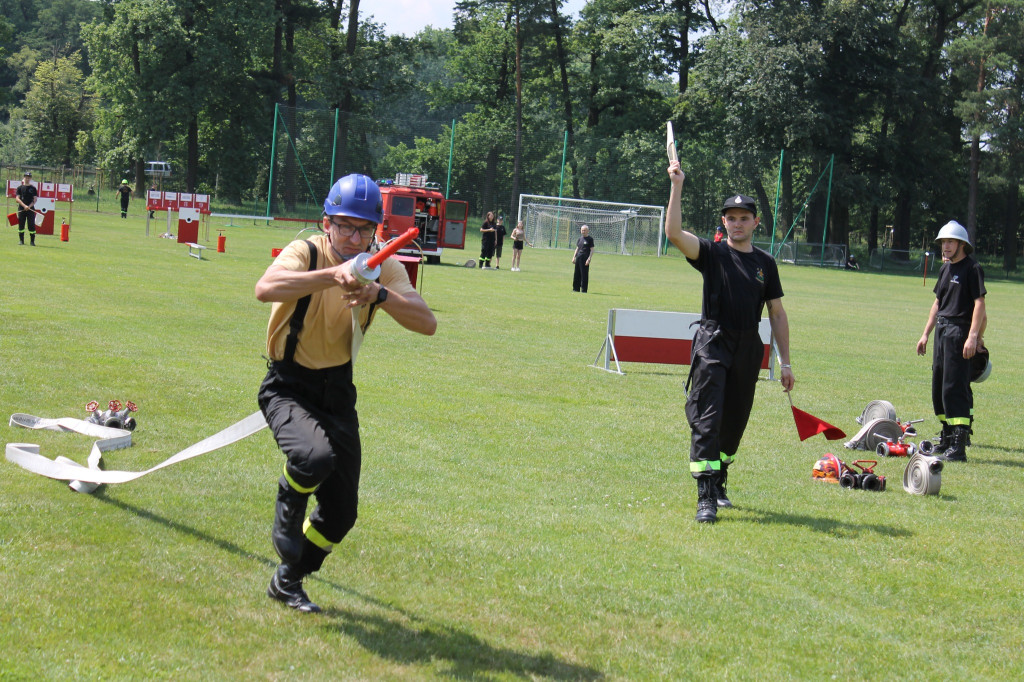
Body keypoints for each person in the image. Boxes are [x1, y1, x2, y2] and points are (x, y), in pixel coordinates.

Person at [255, 173, 437, 613]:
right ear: (326, 223)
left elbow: (426, 322)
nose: (354, 238)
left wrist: (379, 294)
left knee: (341, 514)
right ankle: (290, 499)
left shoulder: (383, 266)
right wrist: (331, 276)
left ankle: (289, 579)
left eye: (364, 229)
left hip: (338, 391)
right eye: (344, 226)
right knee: (313, 458)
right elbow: (265, 289)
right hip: (287, 385)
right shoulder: (307, 251)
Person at [664, 160, 794, 523]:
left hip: (749, 346)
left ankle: (720, 477)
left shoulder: (766, 263)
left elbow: (778, 314)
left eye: (743, 218)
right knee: (708, 418)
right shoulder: (712, 253)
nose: (737, 223)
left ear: (755, 222)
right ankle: (705, 494)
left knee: (734, 421)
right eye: (730, 218)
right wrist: (678, 185)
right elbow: (674, 233)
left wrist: (785, 362)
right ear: (724, 222)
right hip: (713, 341)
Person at [915, 220, 986, 462]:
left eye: (950, 242)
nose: (945, 246)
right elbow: (937, 304)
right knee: (939, 387)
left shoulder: (972, 268)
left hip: (959, 332)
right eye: (943, 242)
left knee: (955, 387)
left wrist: (974, 336)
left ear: (962, 244)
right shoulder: (945, 269)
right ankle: (946, 438)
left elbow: (980, 304)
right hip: (942, 331)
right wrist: (926, 333)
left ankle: (959, 445)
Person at [15, 171, 38, 246]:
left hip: (30, 209)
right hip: (22, 208)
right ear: (23, 178)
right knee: (21, 224)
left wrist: (29, 206)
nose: (27, 179)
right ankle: (21, 240)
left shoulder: (33, 188)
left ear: (30, 178)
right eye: (26, 177)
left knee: (31, 225)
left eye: (29, 177)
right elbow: (17, 199)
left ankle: (32, 241)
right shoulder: (20, 188)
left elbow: (35, 199)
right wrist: (24, 206)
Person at [571, 224, 594, 292]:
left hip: (585, 258)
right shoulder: (580, 239)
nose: (583, 232)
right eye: (582, 230)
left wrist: (589, 258)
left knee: (584, 274)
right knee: (576, 273)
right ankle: (575, 288)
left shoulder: (590, 239)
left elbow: (592, 250)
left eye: (584, 230)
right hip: (578, 257)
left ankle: (584, 289)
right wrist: (574, 257)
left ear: (587, 231)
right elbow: (577, 248)